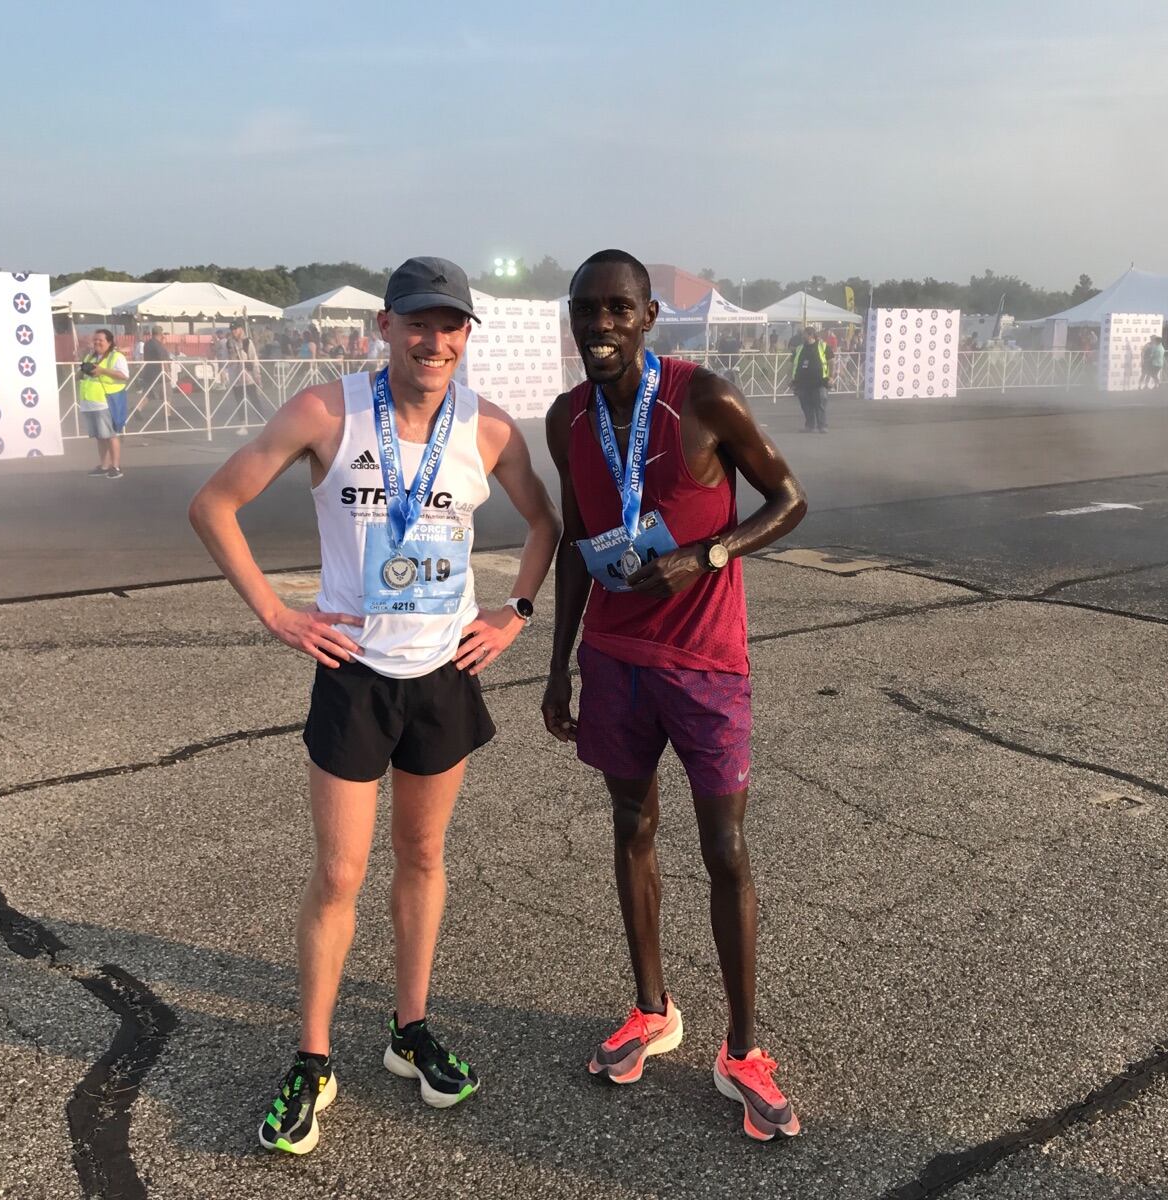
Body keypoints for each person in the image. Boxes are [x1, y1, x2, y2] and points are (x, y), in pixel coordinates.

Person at [189, 256, 561, 1156]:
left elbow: (546, 524)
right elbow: (213, 505)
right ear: (384, 328)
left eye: (453, 326)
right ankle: (313, 1058)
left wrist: (514, 614)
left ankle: (410, 1028)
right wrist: (278, 612)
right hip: (354, 676)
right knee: (342, 875)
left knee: (424, 856)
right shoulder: (328, 411)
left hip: (443, 675)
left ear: (469, 335)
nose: (436, 341)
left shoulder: (491, 428)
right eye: (419, 323)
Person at [543, 249, 808, 1142]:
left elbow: (791, 498)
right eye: (588, 311)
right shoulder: (566, 418)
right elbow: (581, 539)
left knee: (725, 850)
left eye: (619, 309)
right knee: (631, 829)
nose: (602, 327)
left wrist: (711, 554)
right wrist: (557, 665)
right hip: (614, 658)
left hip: (704, 662)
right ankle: (653, 1009)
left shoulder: (703, 399)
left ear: (650, 315)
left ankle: (742, 1049)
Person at [77, 329, 130, 478]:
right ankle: (104, 466)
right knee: (100, 436)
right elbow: (78, 376)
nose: (97, 342)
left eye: (100, 340)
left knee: (110, 435)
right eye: (95, 340)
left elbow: (124, 375)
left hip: (105, 401)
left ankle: (116, 467)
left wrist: (102, 370)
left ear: (110, 342)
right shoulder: (90, 356)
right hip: (89, 401)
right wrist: (83, 369)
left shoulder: (116, 357)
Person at [791, 327, 831, 432]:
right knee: (805, 405)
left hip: (819, 381)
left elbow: (832, 361)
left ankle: (822, 426)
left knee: (820, 403)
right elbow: (792, 364)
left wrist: (831, 377)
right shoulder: (799, 348)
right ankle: (810, 426)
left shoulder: (823, 346)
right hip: (802, 382)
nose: (802, 336)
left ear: (810, 335)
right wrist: (791, 379)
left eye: (804, 334)